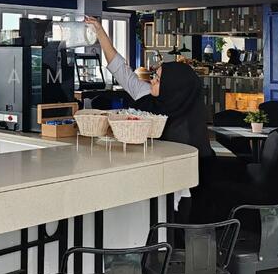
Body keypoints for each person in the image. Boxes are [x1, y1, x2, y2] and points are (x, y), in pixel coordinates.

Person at [85, 16, 217, 221]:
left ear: (173, 86)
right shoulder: (149, 96)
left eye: (158, 78)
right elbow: (121, 70)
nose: (152, 80)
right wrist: (100, 33)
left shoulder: (187, 133)